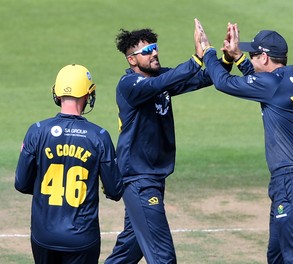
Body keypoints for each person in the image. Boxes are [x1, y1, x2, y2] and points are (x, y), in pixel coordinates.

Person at [194, 19, 293, 263]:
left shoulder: (271, 85)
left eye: (253, 54)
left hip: (291, 182)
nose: (250, 58)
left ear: (264, 58)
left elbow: (223, 82)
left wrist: (209, 52)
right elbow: (263, 82)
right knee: (276, 255)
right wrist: (240, 58)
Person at [105, 28, 213, 264]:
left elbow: (203, 78)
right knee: (163, 256)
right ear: (132, 59)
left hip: (153, 177)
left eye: (154, 48)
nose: (154, 54)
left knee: (129, 250)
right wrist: (196, 59)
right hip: (139, 179)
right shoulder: (129, 85)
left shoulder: (158, 79)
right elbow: (166, 81)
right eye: (147, 51)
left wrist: (222, 58)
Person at [15, 64, 124, 264]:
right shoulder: (98, 136)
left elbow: (21, 183)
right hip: (82, 238)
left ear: (56, 94)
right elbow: (115, 190)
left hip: (43, 236)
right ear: (88, 95)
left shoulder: (36, 131)